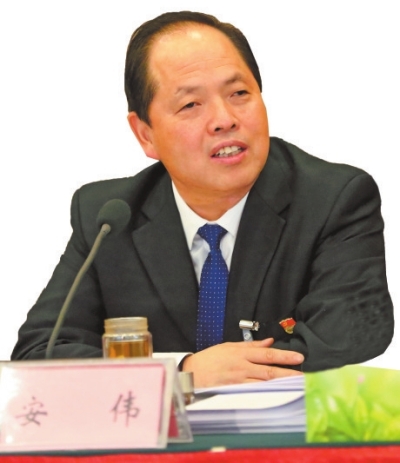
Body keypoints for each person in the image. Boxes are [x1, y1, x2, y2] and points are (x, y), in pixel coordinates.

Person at [11, 11, 393, 387]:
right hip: (158, 430)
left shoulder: (333, 199)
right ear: (145, 134)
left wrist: (215, 376)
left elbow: (351, 335)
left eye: (239, 93)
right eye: (191, 104)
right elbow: (39, 354)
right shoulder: (110, 217)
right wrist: (181, 373)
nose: (224, 119)